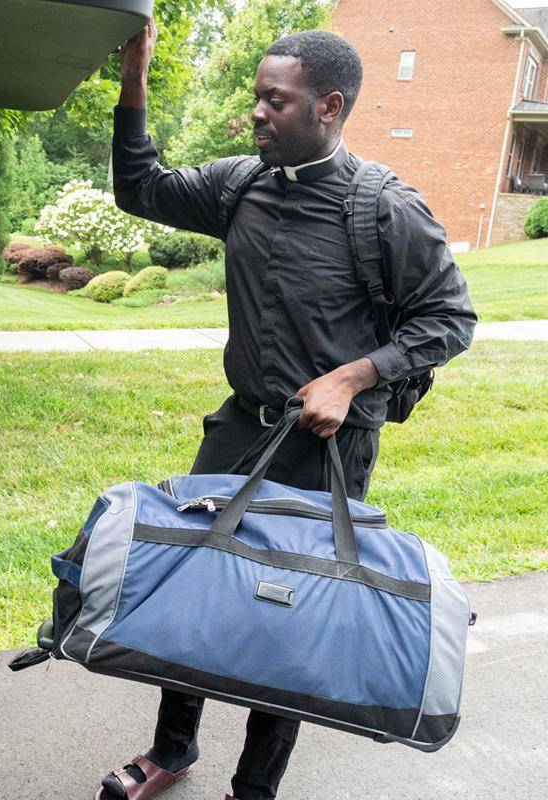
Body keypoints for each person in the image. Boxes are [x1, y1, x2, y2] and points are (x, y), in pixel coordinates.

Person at [98, 21, 477, 800]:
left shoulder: (384, 209)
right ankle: (174, 751)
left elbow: (449, 320)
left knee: (290, 610)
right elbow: (139, 188)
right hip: (242, 425)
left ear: (328, 107)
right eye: (257, 99)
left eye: (277, 100)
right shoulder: (241, 185)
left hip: (326, 446)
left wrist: (355, 376)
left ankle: (255, 789)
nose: (258, 114)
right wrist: (134, 75)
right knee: (197, 588)